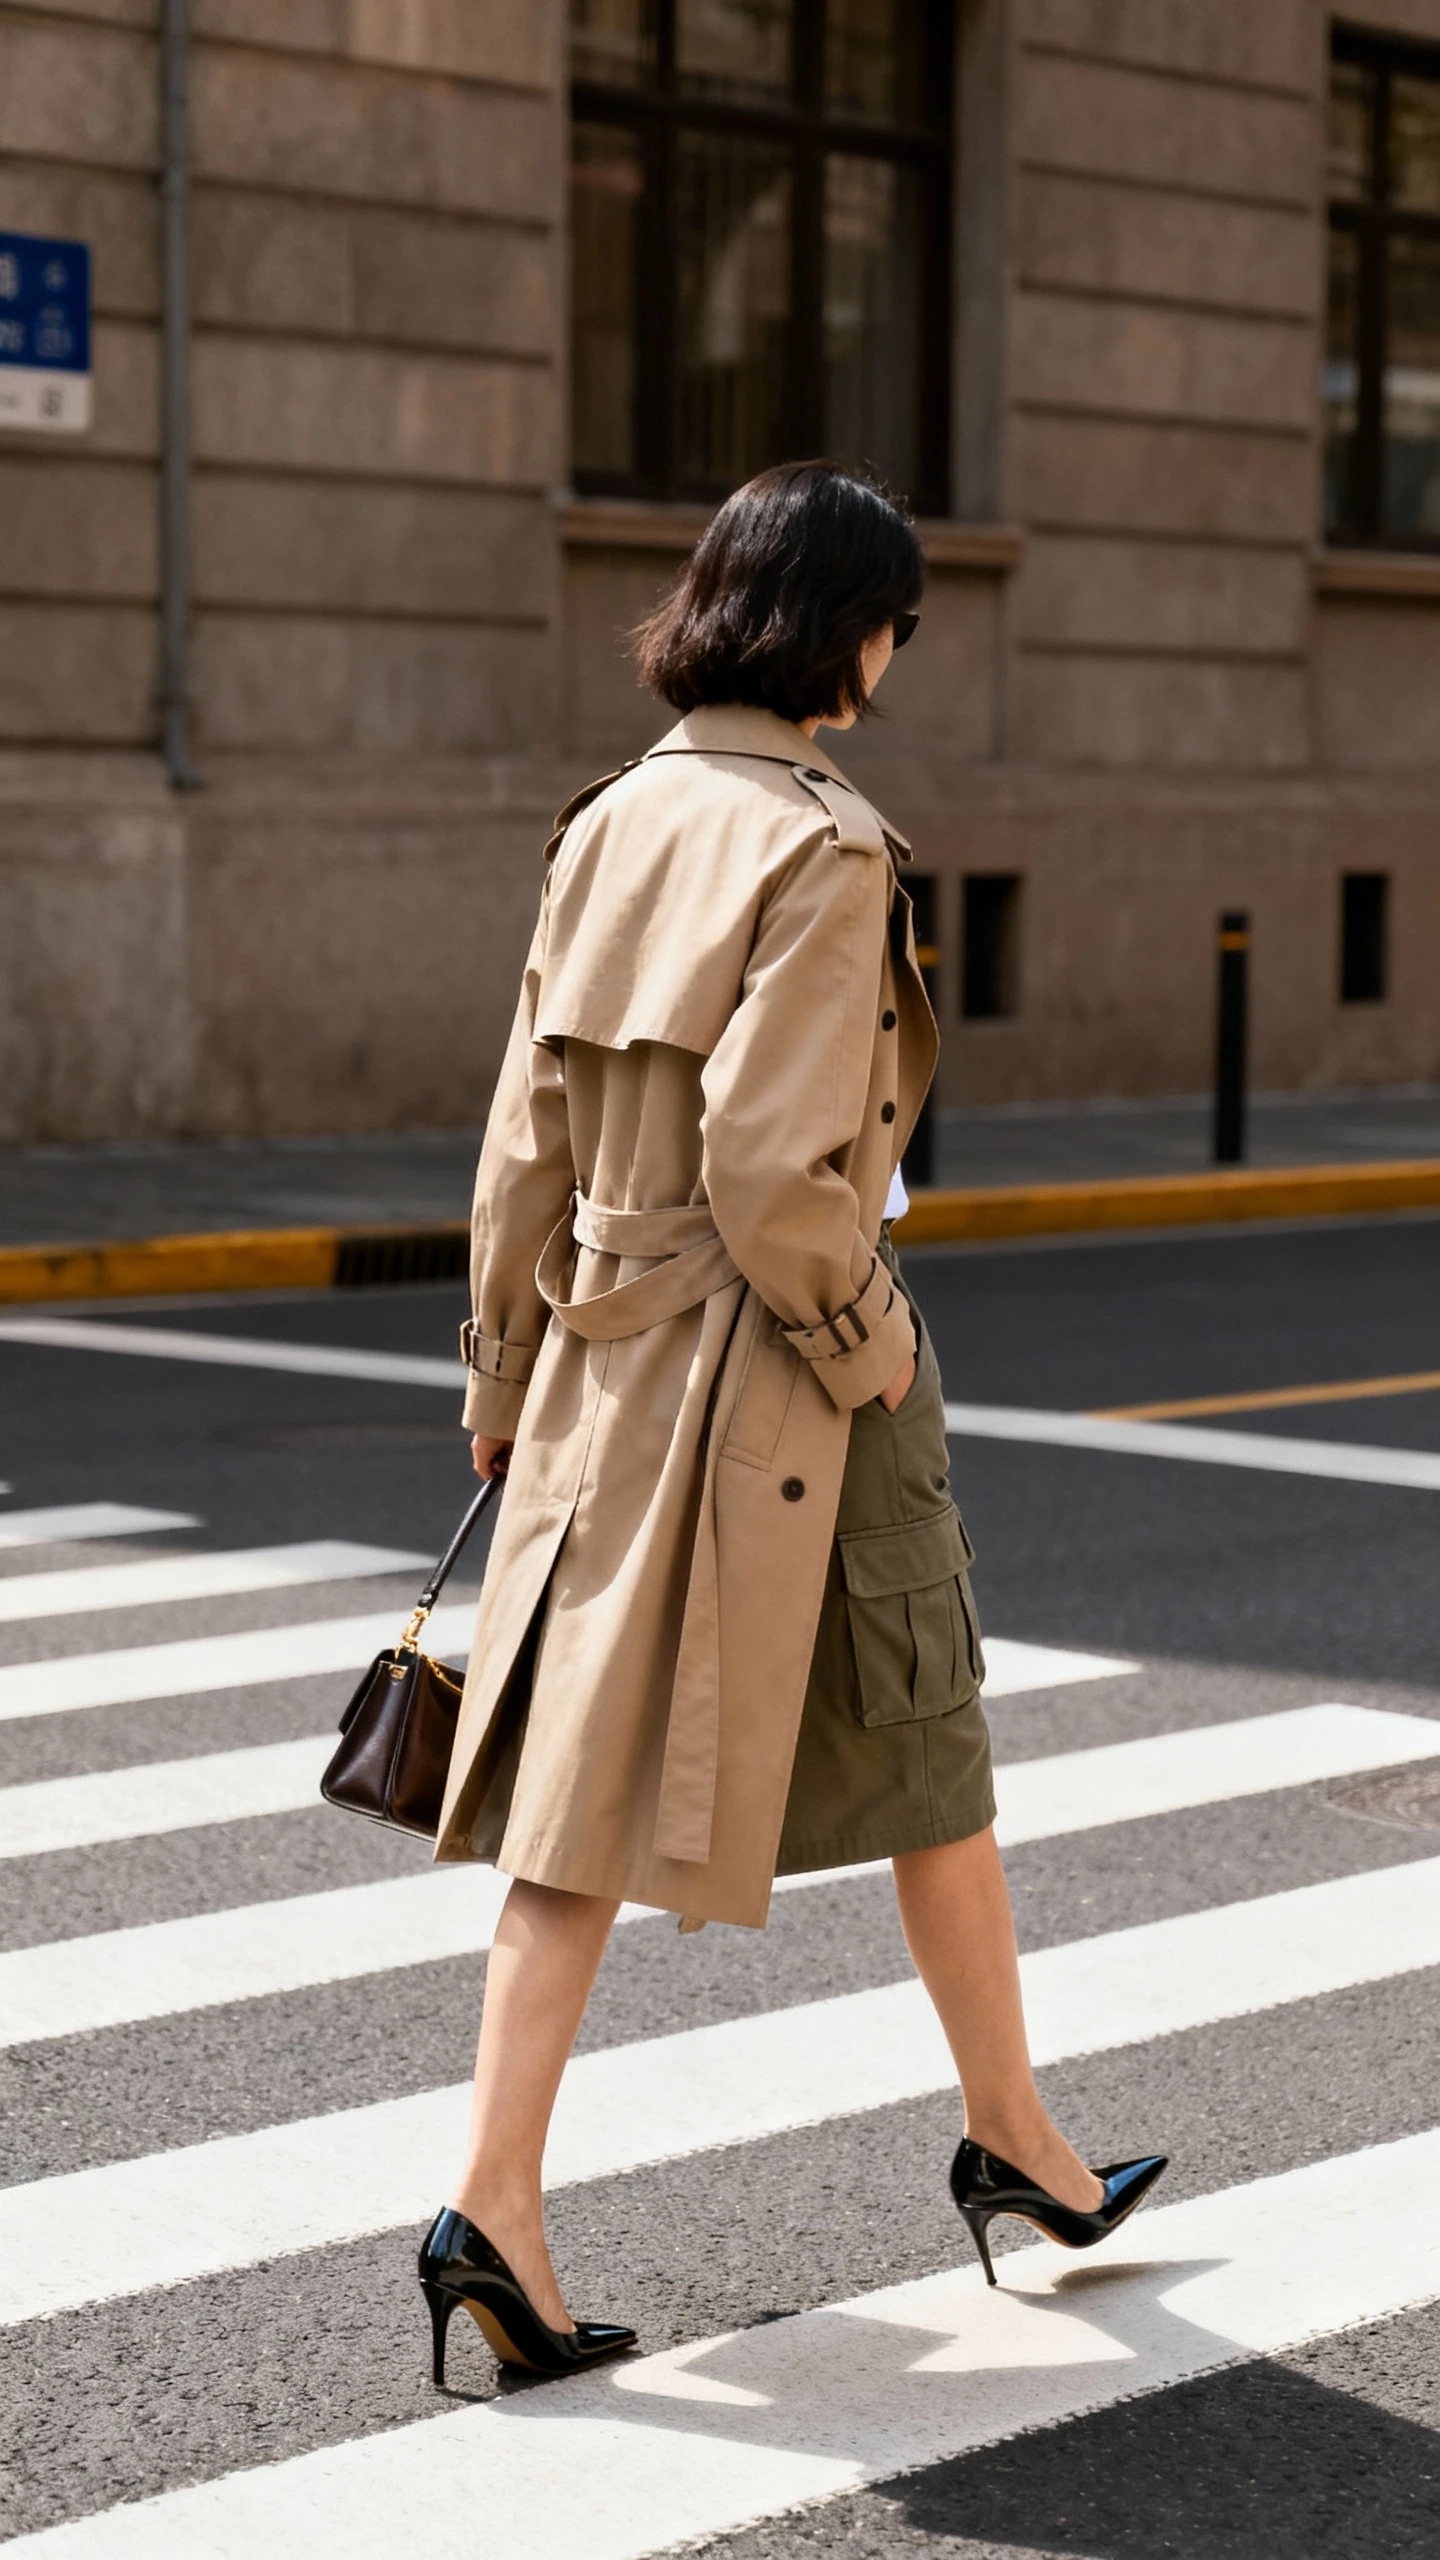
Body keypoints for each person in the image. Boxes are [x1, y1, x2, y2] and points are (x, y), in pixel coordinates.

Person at [417, 462, 1165, 2384]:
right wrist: (873, 1343)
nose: (896, 654)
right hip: (786, 1379)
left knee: (578, 1797)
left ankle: (496, 2210)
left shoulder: (612, 819)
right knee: (930, 1739)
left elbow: (523, 1139)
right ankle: (1012, 2138)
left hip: (607, 1373)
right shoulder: (823, 850)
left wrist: (501, 1377)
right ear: (847, 629)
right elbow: (772, 1169)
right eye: (894, 620)